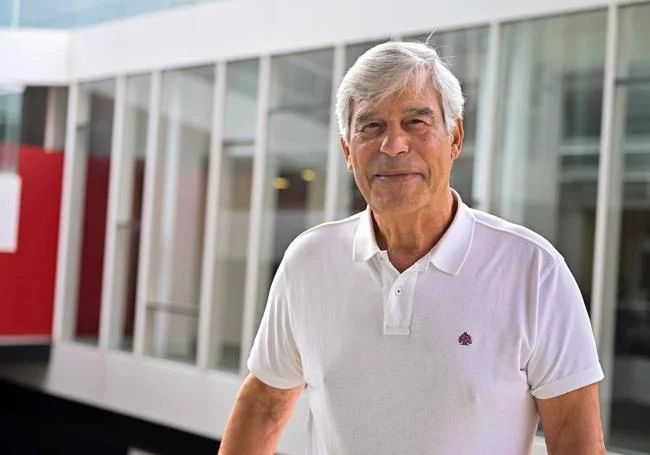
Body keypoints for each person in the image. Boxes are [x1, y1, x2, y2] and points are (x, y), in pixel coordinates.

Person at [219, 41, 605, 454]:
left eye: (416, 122)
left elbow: (576, 442)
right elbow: (263, 405)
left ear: (454, 138)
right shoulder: (309, 262)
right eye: (371, 127)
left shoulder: (534, 270)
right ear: (347, 150)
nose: (394, 145)